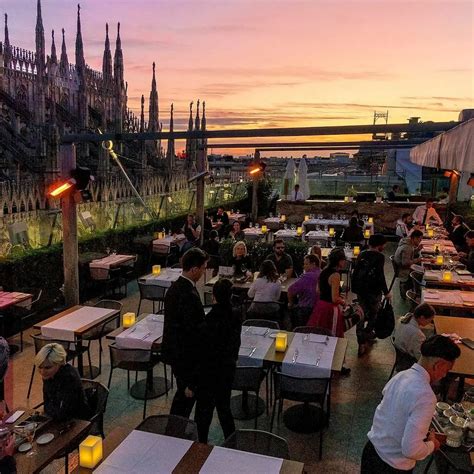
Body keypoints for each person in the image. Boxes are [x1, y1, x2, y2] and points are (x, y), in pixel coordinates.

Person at [361, 335, 460, 473]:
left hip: (371, 451)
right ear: (438, 365)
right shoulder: (426, 397)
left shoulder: (401, 375)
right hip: (391, 466)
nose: (444, 375)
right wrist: (432, 445)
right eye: (447, 370)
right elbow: (411, 450)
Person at [163, 248, 208, 417]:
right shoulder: (188, 293)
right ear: (194, 269)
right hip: (184, 355)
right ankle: (176, 431)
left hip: (176, 352)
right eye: (203, 268)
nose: (204, 272)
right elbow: (190, 332)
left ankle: (177, 428)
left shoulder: (175, 288)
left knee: (183, 395)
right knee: (185, 396)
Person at [195, 279, 241, 443]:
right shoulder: (236, 315)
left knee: (204, 412)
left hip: (209, 373)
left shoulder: (207, 322)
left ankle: (202, 444)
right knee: (224, 408)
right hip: (228, 369)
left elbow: (202, 352)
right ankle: (231, 442)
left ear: (213, 296)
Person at [352, 234, 391, 356]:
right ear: (380, 245)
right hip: (374, 291)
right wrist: (386, 292)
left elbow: (355, 272)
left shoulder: (362, 254)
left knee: (360, 315)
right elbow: (380, 275)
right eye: (384, 245)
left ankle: (361, 341)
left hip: (361, 291)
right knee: (374, 314)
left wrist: (355, 289)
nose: (384, 247)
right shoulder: (379, 257)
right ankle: (368, 332)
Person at [35, 343, 91, 422]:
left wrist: (49, 411)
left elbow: (65, 411)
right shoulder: (49, 375)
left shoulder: (69, 378)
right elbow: (47, 401)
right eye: (40, 367)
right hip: (58, 415)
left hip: (77, 419)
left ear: (59, 363)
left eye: (48, 367)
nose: (42, 372)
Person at [307, 248, 346, 338]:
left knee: (317, 333)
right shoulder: (335, 275)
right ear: (339, 261)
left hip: (320, 306)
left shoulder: (323, 271)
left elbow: (318, 290)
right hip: (330, 308)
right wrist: (343, 302)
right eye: (343, 260)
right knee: (332, 335)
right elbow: (334, 298)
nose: (344, 263)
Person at [287, 254, 321, 328]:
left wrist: (290, 304)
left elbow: (290, 290)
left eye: (306, 264)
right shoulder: (322, 273)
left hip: (306, 309)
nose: (304, 266)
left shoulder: (307, 276)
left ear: (313, 264)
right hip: (319, 308)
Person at [394, 229, 423, 298]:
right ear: (415, 238)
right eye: (419, 239)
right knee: (422, 273)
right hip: (403, 270)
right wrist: (417, 260)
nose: (420, 241)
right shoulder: (407, 247)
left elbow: (409, 255)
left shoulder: (407, 243)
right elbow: (405, 263)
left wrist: (418, 249)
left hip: (401, 266)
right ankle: (416, 291)